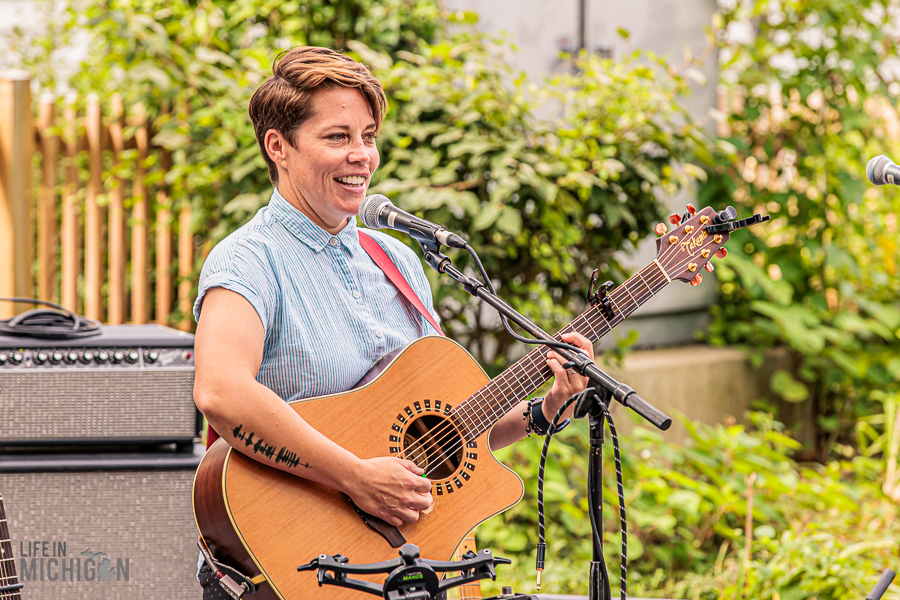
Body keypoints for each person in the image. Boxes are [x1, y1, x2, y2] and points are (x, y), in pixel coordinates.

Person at [192, 46, 594, 597]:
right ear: (278, 147)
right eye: (338, 137)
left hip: (411, 569)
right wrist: (355, 477)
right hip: (297, 564)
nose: (362, 155)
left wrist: (547, 409)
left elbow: (443, 431)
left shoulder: (396, 259)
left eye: (369, 136)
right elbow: (221, 391)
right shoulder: (248, 260)